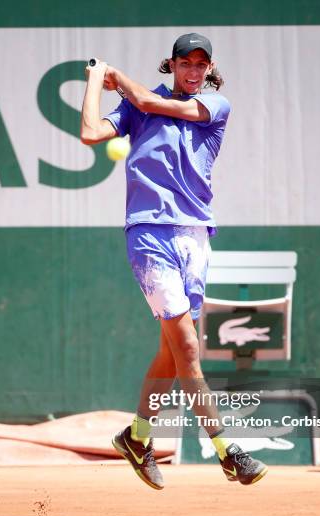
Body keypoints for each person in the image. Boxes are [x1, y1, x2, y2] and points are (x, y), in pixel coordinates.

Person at [81, 33, 268, 490]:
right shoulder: (137, 107)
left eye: (201, 64)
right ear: (172, 64)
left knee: (171, 350)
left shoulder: (215, 106)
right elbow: (90, 133)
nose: (194, 70)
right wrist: (92, 81)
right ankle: (227, 450)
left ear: (208, 69)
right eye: (186, 62)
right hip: (148, 233)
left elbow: (144, 97)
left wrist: (116, 77)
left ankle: (136, 437)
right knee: (186, 347)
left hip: (196, 237)